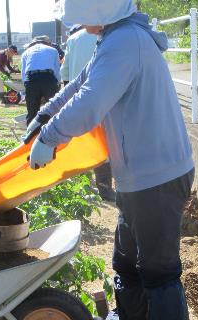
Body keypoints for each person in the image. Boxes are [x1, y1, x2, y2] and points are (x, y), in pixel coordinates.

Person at [24, 0, 195, 320]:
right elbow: (78, 86)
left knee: (158, 271)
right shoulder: (115, 39)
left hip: (158, 175)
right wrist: (43, 117)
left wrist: (50, 137)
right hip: (139, 176)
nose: (79, 23)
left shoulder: (126, 42)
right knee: (127, 264)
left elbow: (91, 104)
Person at [60, 24, 115, 201]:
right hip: (105, 93)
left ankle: (79, 187)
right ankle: (105, 188)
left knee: (79, 139)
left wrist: (68, 101)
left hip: (79, 95)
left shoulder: (72, 40)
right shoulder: (107, 34)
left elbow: (65, 72)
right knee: (105, 140)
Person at [21, 37, 61, 126]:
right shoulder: (53, 50)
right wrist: (57, 83)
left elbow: (23, 74)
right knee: (53, 108)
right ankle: (54, 133)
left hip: (31, 79)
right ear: (47, 43)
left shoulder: (26, 52)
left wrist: (27, 86)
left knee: (32, 110)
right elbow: (57, 70)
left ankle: (30, 136)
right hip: (48, 78)